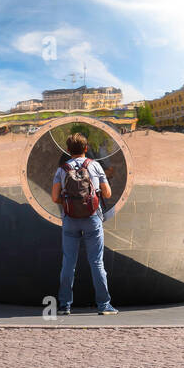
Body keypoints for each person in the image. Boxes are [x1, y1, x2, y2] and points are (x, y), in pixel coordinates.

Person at [51, 131, 117, 315]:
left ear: (67, 150)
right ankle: (104, 306)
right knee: (96, 263)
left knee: (68, 263)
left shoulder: (62, 169)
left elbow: (55, 197)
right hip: (92, 217)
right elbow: (108, 193)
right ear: (86, 148)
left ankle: (65, 306)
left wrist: (68, 202)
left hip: (70, 219)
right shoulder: (95, 166)